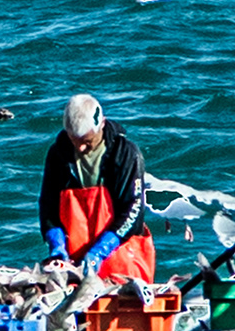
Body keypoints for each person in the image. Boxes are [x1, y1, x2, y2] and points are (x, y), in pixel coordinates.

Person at [39, 94, 157, 292]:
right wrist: (57, 245)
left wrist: (100, 252)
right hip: (75, 264)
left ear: (101, 124)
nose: (80, 147)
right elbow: (48, 208)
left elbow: (132, 210)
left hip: (122, 260)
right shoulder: (58, 154)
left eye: (87, 141)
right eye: (74, 140)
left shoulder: (125, 154)